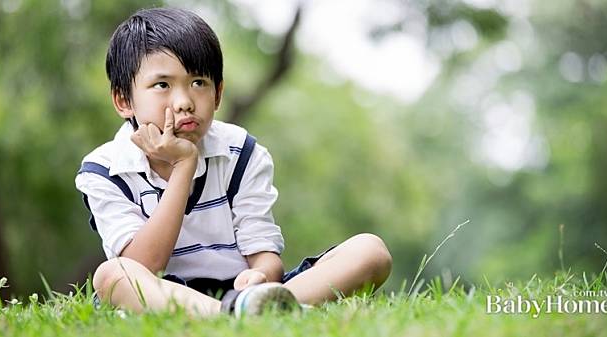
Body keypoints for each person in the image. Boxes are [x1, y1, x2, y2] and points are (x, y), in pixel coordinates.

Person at [75, 7, 392, 317]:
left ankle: (261, 307)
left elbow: (263, 253)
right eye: (162, 85)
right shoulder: (104, 170)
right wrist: (184, 166)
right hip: (167, 293)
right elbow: (146, 265)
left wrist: (261, 278)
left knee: (371, 250)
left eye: (199, 82)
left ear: (218, 93)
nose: (185, 102)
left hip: (244, 291)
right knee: (112, 275)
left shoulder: (241, 151)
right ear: (123, 100)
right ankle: (235, 315)